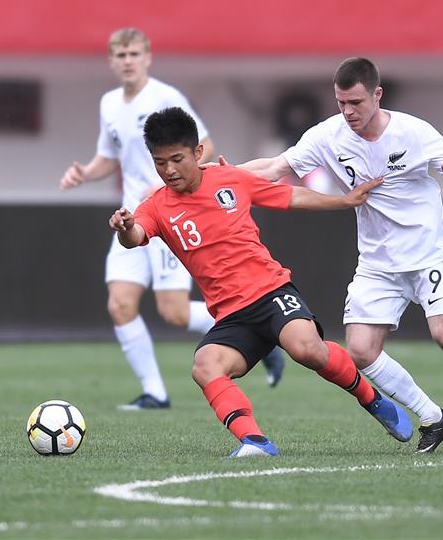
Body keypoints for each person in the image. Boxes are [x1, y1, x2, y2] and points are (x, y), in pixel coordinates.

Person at [226, 57, 443, 454]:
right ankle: (434, 418)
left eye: (356, 103)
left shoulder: (412, 132)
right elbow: (275, 167)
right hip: (377, 264)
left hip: (426, 255)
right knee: (362, 351)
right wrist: (226, 176)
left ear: (377, 95)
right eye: (341, 103)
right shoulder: (328, 136)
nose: (348, 112)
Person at [109, 106, 412, 457]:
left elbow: (289, 196)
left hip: (270, 292)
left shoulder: (230, 178)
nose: (169, 170)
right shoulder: (156, 206)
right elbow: (135, 235)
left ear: (197, 152)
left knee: (307, 350)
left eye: (176, 159)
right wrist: (125, 227)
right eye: (159, 162)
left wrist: (343, 201)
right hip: (232, 316)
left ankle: (373, 401)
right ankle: (256, 442)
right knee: (205, 366)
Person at [60, 27, 284, 411]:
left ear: (147, 57)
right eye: (120, 55)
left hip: (171, 215)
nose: (128, 61)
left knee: (174, 312)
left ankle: (260, 338)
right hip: (131, 219)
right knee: (120, 305)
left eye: (134, 54)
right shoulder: (109, 104)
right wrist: (84, 173)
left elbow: (205, 145)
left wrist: (168, 186)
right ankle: (155, 393)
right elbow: (107, 157)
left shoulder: (166, 98)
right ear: (111, 61)